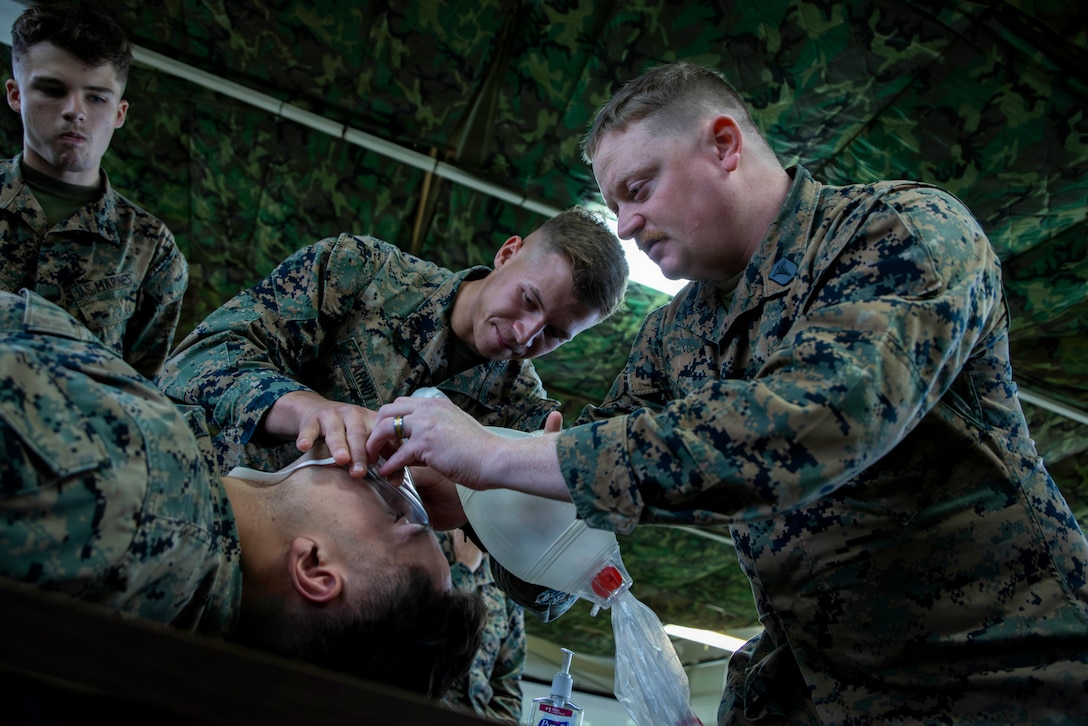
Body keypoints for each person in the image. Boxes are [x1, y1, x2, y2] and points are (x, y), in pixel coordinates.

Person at [366, 62, 1088, 724]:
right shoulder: (675, 336)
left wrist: (500, 456)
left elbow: (809, 428)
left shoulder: (901, 233)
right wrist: (477, 495)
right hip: (823, 682)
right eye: (614, 202)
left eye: (638, 189)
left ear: (723, 145)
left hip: (1007, 679)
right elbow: (575, 501)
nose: (624, 225)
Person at [0, 288, 483, 698]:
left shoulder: (141, 495)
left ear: (314, 568)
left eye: (401, 518)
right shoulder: (180, 599)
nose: (392, 481)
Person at [157, 206, 626, 480]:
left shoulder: (521, 417)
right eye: (527, 299)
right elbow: (193, 363)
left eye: (554, 335)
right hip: (200, 487)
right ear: (507, 254)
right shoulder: (362, 271)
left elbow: (546, 593)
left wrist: (523, 488)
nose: (526, 334)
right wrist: (305, 407)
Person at [1, 2, 186, 380]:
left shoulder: (151, 250)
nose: (75, 110)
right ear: (15, 94)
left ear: (120, 113)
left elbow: (139, 389)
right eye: (52, 89)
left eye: (96, 97)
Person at [437, 529, 526, 723]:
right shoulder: (427, 547)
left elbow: (508, 681)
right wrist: (464, 570)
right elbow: (414, 632)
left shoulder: (504, 578)